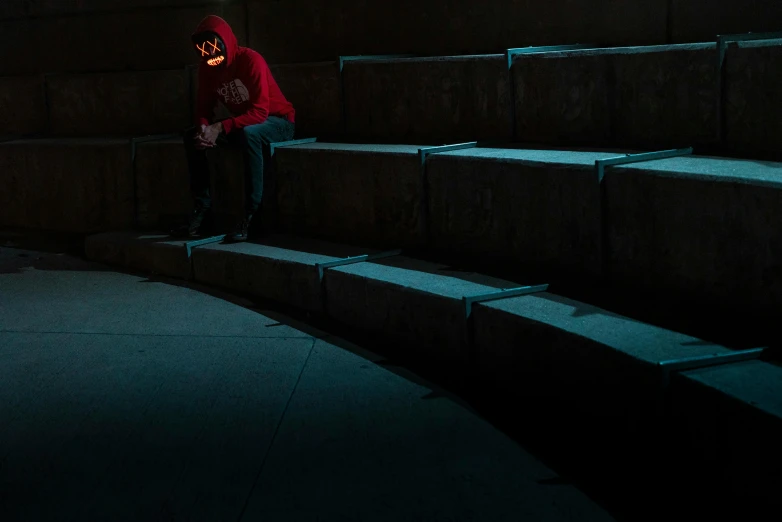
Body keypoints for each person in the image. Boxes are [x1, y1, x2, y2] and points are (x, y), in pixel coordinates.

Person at [173, 15, 296, 241]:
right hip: (246, 123)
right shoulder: (207, 69)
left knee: (250, 134)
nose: (209, 53)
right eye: (203, 49)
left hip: (279, 123)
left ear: (225, 41)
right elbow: (203, 109)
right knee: (192, 136)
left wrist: (219, 127)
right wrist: (204, 130)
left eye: (213, 46)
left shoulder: (250, 60)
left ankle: (252, 214)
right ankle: (203, 210)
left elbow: (260, 112)